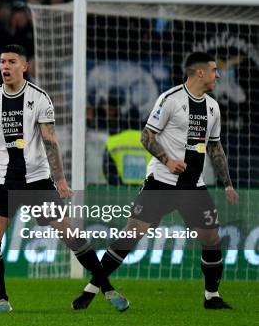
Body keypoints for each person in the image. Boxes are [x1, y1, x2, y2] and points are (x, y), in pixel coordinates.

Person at [0, 44, 128, 313]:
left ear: (24, 66)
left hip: (37, 180)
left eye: (12, 61)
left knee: (70, 234)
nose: (5, 66)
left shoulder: (40, 98)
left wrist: (60, 180)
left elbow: (51, 141)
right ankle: (1, 299)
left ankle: (107, 288)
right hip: (3, 180)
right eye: (2, 61)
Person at [74, 52, 240, 310]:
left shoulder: (212, 107)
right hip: (161, 182)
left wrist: (227, 183)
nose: (218, 75)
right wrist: (168, 161)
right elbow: (146, 137)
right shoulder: (170, 99)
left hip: (193, 186)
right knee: (131, 235)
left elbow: (215, 148)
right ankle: (91, 289)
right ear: (199, 72)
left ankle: (212, 296)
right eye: (214, 70)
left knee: (211, 238)